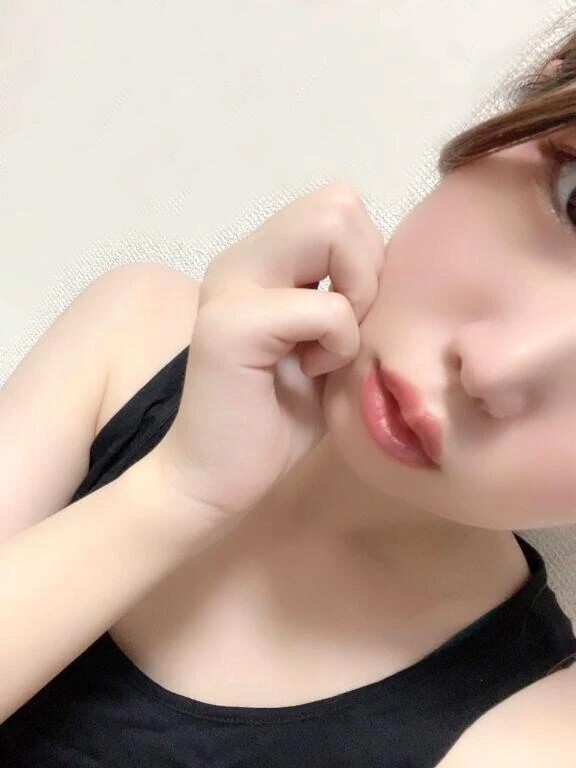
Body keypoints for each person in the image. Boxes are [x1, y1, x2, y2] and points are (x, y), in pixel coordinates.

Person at [1, 28, 576, 768]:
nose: (493, 368)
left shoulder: (535, 735)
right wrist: (177, 491)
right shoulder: (131, 334)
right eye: (575, 201)